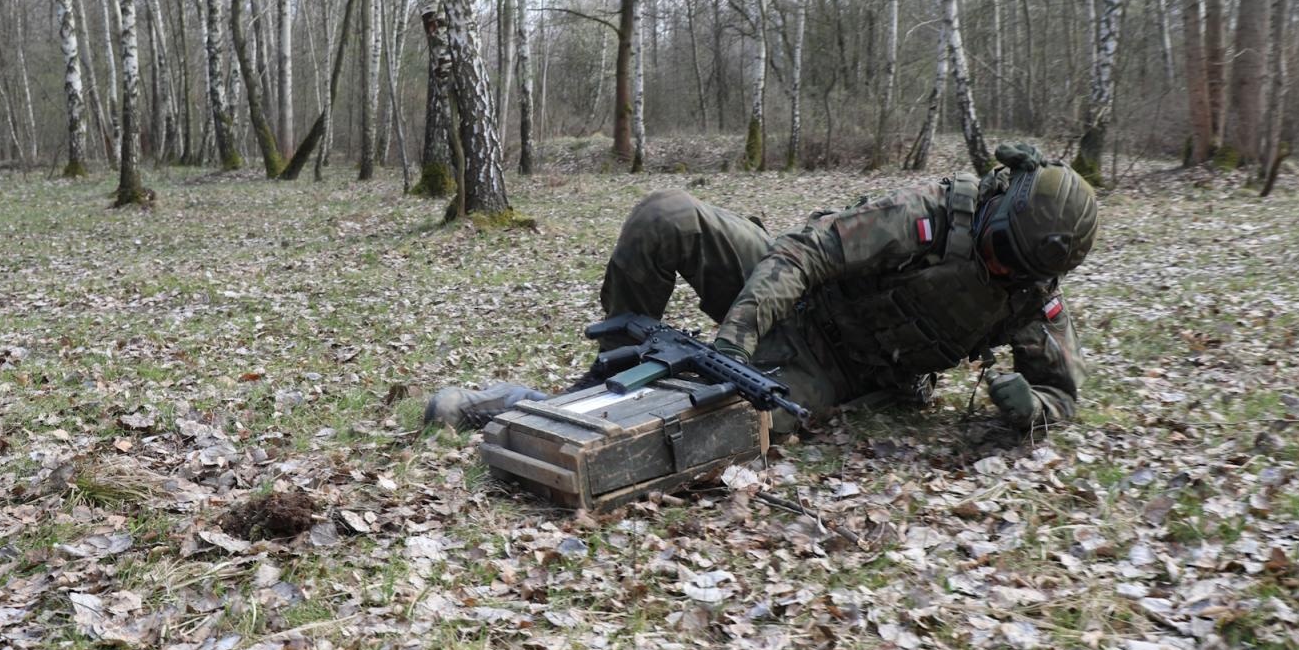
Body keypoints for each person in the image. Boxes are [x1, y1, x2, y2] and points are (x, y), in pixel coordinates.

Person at [426, 142, 1098, 433]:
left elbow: (1062, 396)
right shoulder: (928, 213)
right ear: (1000, 201)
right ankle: (605, 377)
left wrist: (1028, 407)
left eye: (1019, 264)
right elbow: (806, 252)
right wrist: (736, 343)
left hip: (833, 374)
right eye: (1000, 247)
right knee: (666, 216)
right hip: (794, 296)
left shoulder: (1029, 293)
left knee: (708, 421)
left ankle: (521, 409)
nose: (1001, 265)